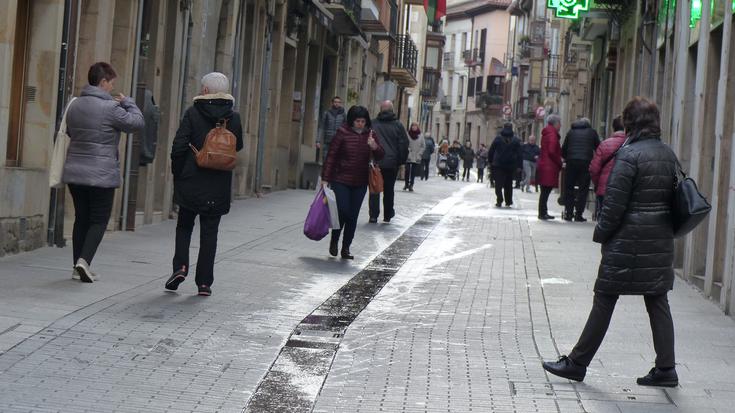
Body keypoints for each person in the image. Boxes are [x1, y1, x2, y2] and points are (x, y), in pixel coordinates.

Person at [542, 97, 680, 388]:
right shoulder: (668, 155)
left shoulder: (629, 156)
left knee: (604, 297)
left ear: (630, 123)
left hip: (627, 241)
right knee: (657, 299)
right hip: (659, 240)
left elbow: (614, 205)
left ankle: (577, 363)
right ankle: (666, 368)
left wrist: (601, 234)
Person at [64, 62, 144, 283]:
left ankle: (76, 265)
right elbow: (137, 123)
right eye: (111, 83)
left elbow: (69, 131)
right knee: (99, 219)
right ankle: (85, 262)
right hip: (101, 174)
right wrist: (128, 102)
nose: (112, 88)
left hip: (75, 171)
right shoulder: (111, 109)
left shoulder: (73, 105)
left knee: (82, 218)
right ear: (102, 82)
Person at [166, 72, 244, 296]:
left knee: (184, 225)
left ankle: (180, 267)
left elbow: (179, 146)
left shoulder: (193, 113)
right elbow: (236, 147)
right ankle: (204, 283)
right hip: (218, 184)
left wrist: (178, 173)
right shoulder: (234, 117)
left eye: (202, 88)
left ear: (207, 91)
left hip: (191, 179)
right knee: (210, 232)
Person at [322, 106, 384, 258]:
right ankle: (334, 240)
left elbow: (381, 155)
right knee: (343, 211)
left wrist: (374, 146)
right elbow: (331, 156)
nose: (360, 124)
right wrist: (325, 178)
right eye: (357, 121)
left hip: (360, 182)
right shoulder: (342, 133)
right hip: (340, 179)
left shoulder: (371, 135)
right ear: (351, 120)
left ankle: (346, 248)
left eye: (363, 121)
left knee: (353, 216)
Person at [368, 101, 409, 223]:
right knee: (389, 189)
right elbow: (403, 144)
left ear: (381, 110)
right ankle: (387, 214)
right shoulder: (398, 126)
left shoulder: (373, 124)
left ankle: (373, 215)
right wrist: (400, 161)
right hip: (391, 163)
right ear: (392, 110)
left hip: (376, 162)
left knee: (374, 188)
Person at [561, 117, 600, 222]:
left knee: (569, 187)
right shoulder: (592, 132)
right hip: (585, 163)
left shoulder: (571, 132)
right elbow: (599, 148)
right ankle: (579, 214)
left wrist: (566, 158)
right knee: (583, 189)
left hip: (571, 162)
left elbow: (564, 148)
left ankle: (568, 213)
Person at [589, 116, 626, 219]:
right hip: (624, 190)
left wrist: (598, 183)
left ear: (613, 128)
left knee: (604, 218)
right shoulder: (632, 145)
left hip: (605, 189)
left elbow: (594, 169)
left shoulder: (604, 144)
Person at [488, 123, 522, 207]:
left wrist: (490, 161)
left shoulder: (498, 138)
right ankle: (508, 201)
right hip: (510, 165)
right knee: (508, 184)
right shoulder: (515, 140)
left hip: (498, 164)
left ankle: (499, 200)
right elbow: (520, 154)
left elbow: (491, 151)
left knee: (498, 184)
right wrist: (519, 166)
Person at [536, 115, 563, 220]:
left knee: (544, 192)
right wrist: (559, 161)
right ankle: (542, 213)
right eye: (559, 123)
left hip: (544, 164)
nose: (560, 126)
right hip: (549, 166)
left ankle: (543, 212)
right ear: (555, 123)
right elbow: (552, 151)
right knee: (545, 192)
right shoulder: (552, 135)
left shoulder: (547, 133)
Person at [316, 96, 345, 163]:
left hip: (338, 141)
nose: (337, 104)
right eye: (335, 102)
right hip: (328, 140)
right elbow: (321, 127)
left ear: (340, 103)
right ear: (332, 103)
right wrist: (318, 141)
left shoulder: (343, 114)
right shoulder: (327, 113)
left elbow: (346, 128)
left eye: (338, 102)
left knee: (337, 161)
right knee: (325, 159)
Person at [404, 123, 426, 191]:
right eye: (413, 126)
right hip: (409, 154)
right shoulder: (407, 134)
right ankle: (406, 183)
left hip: (416, 155)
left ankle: (411, 185)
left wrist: (420, 153)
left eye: (415, 126)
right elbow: (404, 143)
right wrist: (407, 149)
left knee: (413, 171)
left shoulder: (420, 135)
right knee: (407, 170)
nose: (414, 127)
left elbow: (423, 146)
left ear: (417, 127)